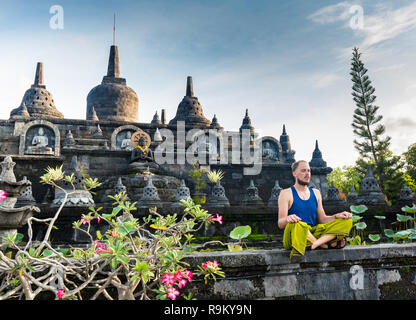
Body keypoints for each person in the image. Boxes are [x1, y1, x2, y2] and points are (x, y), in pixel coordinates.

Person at [278, 160, 353, 258]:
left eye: (309, 171)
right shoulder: (286, 193)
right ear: (294, 173)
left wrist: (336, 216)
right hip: (296, 235)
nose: (307, 174)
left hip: (312, 233)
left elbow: (322, 219)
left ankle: (314, 244)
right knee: (298, 224)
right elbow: (280, 223)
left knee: (346, 221)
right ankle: (324, 245)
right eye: (303, 171)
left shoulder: (316, 193)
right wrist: (288, 219)